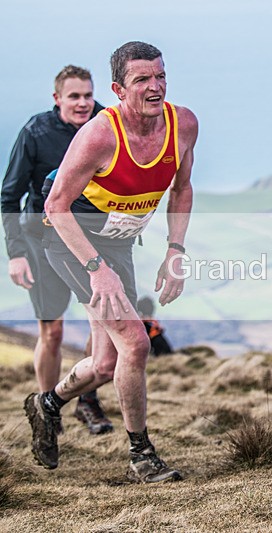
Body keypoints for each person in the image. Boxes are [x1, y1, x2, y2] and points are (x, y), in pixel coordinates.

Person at [23, 41, 198, 483]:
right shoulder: (99, 136)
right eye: (143, 80)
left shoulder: (184, 125)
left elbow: (181, 188)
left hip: (119, 244)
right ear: (119, 89)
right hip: (70, 240)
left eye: (160, 76)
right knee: (136, 344)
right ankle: (141, 455)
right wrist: (96, 270)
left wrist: (175, 250)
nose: (155, 87)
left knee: (105, 364)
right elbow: (55, 205)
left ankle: (46, 403)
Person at [1, 65, 114, 435]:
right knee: (52, 332)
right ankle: (47, 410)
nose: (83, 103)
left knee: (101, 327)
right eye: (74, 96)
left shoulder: (105, 123)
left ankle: (88, 400)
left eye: (88, 95)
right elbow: (9, 195)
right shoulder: (36, 132)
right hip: (41, 242)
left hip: (92, 241)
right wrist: (15, 253)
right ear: (57, 99)